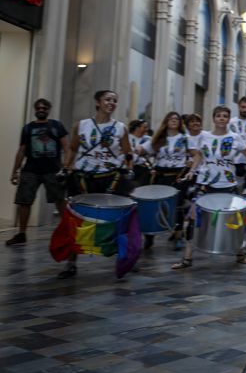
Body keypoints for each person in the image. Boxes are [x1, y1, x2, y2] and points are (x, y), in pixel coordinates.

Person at [58, 90, 133, 279]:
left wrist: (128, 168)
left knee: (117, 218)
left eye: (115, 100)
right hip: (84, 177)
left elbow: (127, 151)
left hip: (111, 177)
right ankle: (71, 262)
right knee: (77, 217)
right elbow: (73, 148)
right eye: (108, 99)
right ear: (98, 102)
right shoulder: (82, 125)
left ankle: (121, 257)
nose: (111, 103)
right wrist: (66, 167)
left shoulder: (120, 128)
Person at [173, 105, 246, 269]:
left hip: (227, 184)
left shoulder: (235, 137)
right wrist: (192, 171)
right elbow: (199, 155)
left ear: (228, 119)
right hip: (205, 182)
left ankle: (241, 253)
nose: (221, 118)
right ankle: (187, 258)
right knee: (192, 219)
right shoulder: (204, 135)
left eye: (225, 116)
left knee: (235, 220)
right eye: (218, 115)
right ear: (213, 118)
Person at [6, 99, 69, 247]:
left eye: (44, 107)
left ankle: (68, 231)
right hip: (30, 170)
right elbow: (21, 150)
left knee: (60, 200)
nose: (41, 109)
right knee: (24, 201)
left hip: (53, 170)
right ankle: (21, 233)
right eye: (38, 107)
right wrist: (15, 170)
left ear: (49, 109)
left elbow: (66, 146)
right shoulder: (28, 128)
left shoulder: (56, 126)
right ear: (35, 109)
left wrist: (66, 166)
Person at [143, 111, 191, 250]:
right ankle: (150, 235)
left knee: (177, 206)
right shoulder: (158, 138)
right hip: (160, 175)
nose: (174, 120)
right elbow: (141, 150)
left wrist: (192, 164)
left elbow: (195, 153)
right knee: (155, 206)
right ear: (166, 121)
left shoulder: (185, 138)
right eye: (171, 118)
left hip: (178, 175)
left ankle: (178, 236)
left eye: (176, 118)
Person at [128, 119, 151, 189]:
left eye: (147, 127)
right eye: (144, 127)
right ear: (137, 128)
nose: (146, 129)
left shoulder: (148, 139)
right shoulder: (127, 138)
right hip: (130, 167)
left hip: (143, 168)